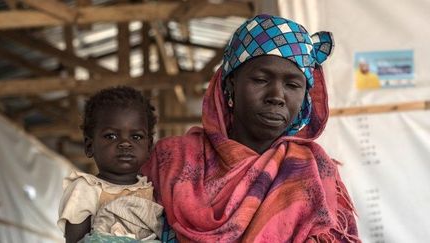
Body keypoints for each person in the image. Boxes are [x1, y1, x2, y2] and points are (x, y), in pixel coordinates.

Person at [142, 14, 361, 242]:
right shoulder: (171, 159)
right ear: (231, 84)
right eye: (261, 80)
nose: (276, 96)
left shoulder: (315, 171)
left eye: (292, 85)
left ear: (305, 96)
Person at [58, 86, 163, 243]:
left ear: (149, 148)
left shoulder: (154, 189)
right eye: (111, 136)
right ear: (89, 146)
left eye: (136, 136)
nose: (125, 144)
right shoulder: (85, 189)